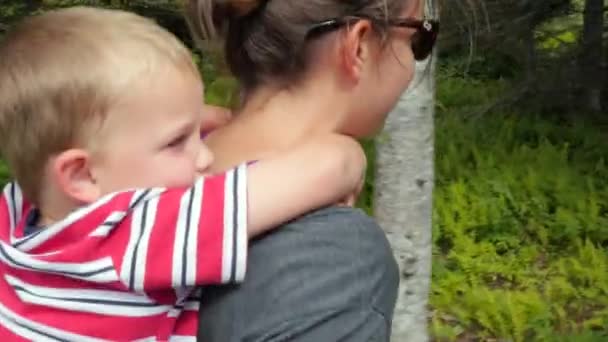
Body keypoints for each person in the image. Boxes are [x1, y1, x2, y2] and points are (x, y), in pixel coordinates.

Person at [0, 7, 368, 341]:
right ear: (81, 175)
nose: (205, 156)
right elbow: (325, 169)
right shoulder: (137, 234)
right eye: (178, 142)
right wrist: (349, 154)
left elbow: (138, 130)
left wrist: (197, 124)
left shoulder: (18, 212)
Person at [186, 0, 439, 341]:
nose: (411, 63)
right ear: (358, 46)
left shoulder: (130, 167)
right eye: (417, 40)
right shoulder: (338, 258)